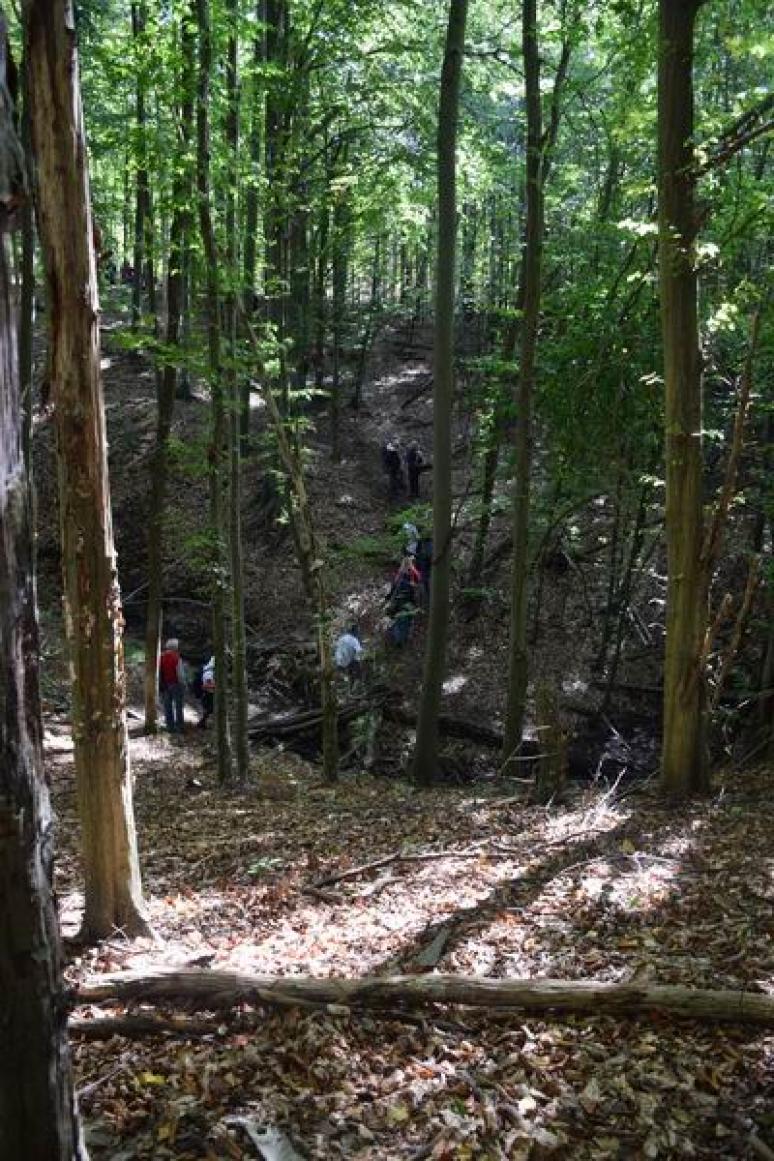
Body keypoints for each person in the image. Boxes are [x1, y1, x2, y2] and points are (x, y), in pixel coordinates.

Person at [388, 555, 421, 646]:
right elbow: (418, 579)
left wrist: (389, 600)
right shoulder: (408, 579)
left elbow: (392, 591)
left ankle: (397, 639)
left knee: (399, 621)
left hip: (398, 603)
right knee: (405, 622)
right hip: (406, 603)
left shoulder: (399, 577)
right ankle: (400, 640)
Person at [159, 638, 186, 733]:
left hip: (165, 684)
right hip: (176, 684)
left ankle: (169, 726)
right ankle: (180, 727)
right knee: (178, 706)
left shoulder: (161, 657)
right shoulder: (177, 658)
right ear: (175, 647)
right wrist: (183, 684)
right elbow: (180, 673)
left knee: (167, 706)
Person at [198, 655, 215, 728]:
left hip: (209, 692)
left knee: (209, 709)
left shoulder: (207, 670)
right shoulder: (209, 673)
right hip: (208, 693)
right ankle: (202, 723)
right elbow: (206, 685)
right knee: (209, 709)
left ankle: (203, 723)